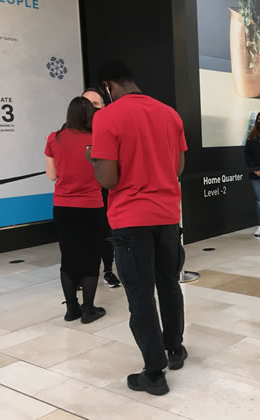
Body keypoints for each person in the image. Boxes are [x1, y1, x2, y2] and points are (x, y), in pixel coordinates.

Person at [89, 60, 187, 396]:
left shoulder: (106, 117)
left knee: (141, 295)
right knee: (169, 284)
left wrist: (95, 160)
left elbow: (109, 178)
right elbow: (178, 166)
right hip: (167, 217)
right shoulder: (169, 114)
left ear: (108, 86)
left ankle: (154, 373)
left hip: (131, 221)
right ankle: (175, 350)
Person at [45, 97, 106, 325]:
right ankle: (89, 309)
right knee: (91, 258)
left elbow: (52, 175)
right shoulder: (97, 139)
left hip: (63, 207)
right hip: (91, 207)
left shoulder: (54, 138)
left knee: (68, 257)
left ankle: (72, 309)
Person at [81, 88, 120, 288]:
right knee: (83, 235)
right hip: (81, 195)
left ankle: (108, 270)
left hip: (104, 190)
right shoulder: (69, 131)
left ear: (104, 106)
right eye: (86, 103)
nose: (90, 109)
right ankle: (84, 272)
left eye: (95, 105)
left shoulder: (109, 128)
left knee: (106, 232)